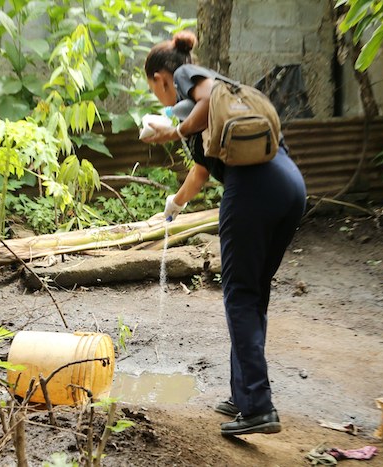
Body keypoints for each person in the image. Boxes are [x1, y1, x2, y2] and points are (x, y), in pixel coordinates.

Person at [142, 31, 307, 436]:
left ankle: (258, 407)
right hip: (289, 184)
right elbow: (201, 171)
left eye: (153, 88)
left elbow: (206, 94)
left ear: (161, 78)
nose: (159, 96)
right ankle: (244, 395)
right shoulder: (219, 107)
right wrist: (176, 203)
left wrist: (173, 132)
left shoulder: (190, 76)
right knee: (254, 292)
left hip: (252, 188)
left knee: (239, 294)